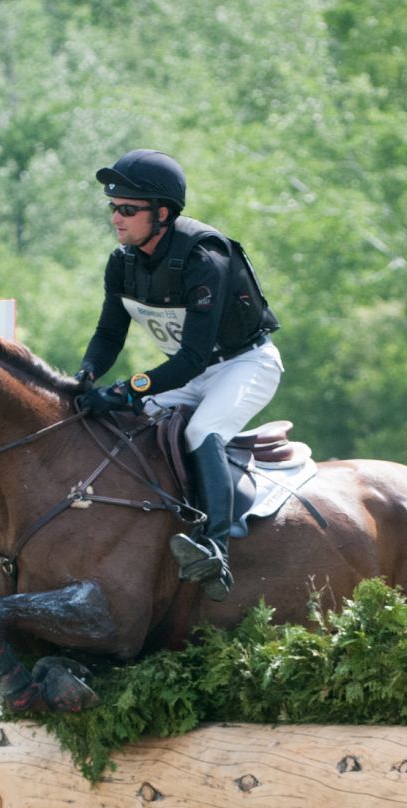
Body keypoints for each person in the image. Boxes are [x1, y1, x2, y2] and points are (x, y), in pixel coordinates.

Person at [76, 149, 282, 601]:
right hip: (188, 373)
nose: (116, 217)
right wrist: (87, 373)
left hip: (243, 365)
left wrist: (127, 388)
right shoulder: (123, 262)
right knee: (128, 428)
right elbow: (109, 333)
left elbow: (190, 359)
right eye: (113, 207)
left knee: (203, 430)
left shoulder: (204, 258)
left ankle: (216, 549)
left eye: (128, 209)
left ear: (163, 213)